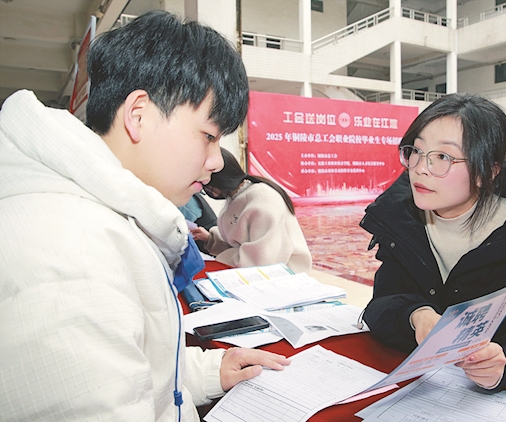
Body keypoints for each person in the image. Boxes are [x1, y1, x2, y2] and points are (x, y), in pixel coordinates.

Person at [0, 11, 289, 421]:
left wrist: (202, 372)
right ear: (138, 115)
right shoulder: (74, 253)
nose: (214, 162)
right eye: (208, 136)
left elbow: (125, 368)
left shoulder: (96, 216)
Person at [360, 93, 506, 396]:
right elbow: (381, 303)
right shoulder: (400, 222)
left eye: (443, 157)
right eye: (416, 151)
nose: (420, 168)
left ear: (487, 172)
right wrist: (416, 315)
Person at [194, 147, 312, 273]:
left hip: (284, 272)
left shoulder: (262, 200)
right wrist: (210, 238)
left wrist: (222, 258)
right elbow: (241, 242)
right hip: (260, 268)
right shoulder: (236, 196)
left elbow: (261, 259)